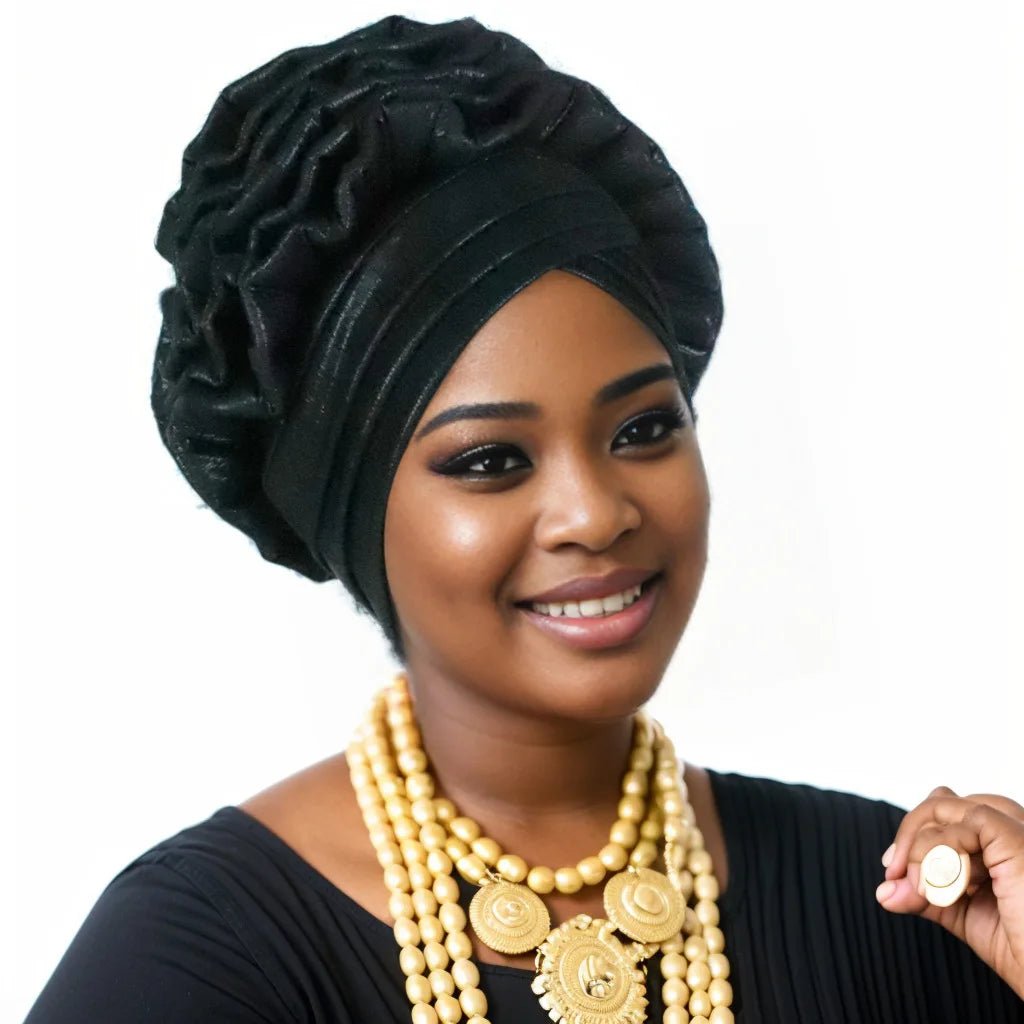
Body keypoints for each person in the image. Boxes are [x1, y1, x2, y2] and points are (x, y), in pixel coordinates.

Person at [24, 13, 1024, 1023]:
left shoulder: (908, 904)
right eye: (491, 460)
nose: (594, 511)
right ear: (353, 522)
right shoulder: (197, 957)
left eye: (641, 428)